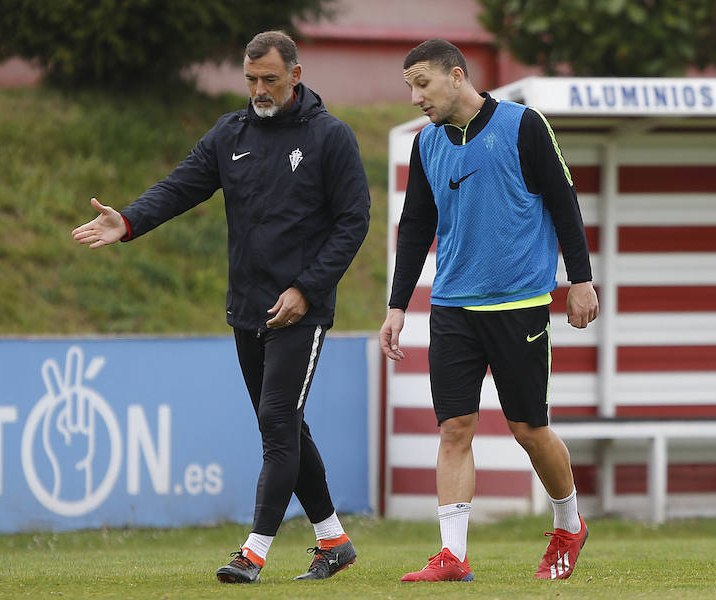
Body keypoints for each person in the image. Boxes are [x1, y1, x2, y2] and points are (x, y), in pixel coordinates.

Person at [72, 30, 369, 584]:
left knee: (277, 422)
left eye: (270, 80)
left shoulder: (331, 138)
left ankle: (252, 553)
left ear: (296, 76)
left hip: (302, 311)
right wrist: (130, 221)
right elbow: (181, 186)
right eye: (251, 79)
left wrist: (306, 289)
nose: (259, 89)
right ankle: (335, 542)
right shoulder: (230, 133)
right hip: (248, 308)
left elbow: (355, 222)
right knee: (285, 427)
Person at [380, 39, 599, 583]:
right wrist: (396, 305)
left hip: (519, 304)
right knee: (455, 427)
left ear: (456, 76)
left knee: (528, 430)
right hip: (453, 306)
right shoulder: (426, 144)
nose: (414, 98)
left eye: (422, 83)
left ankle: (568, 523)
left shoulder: (524, 126)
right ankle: (452, 555)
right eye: (409, 86)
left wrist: (580, 280)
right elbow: (415, 229)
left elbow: (564, 201)